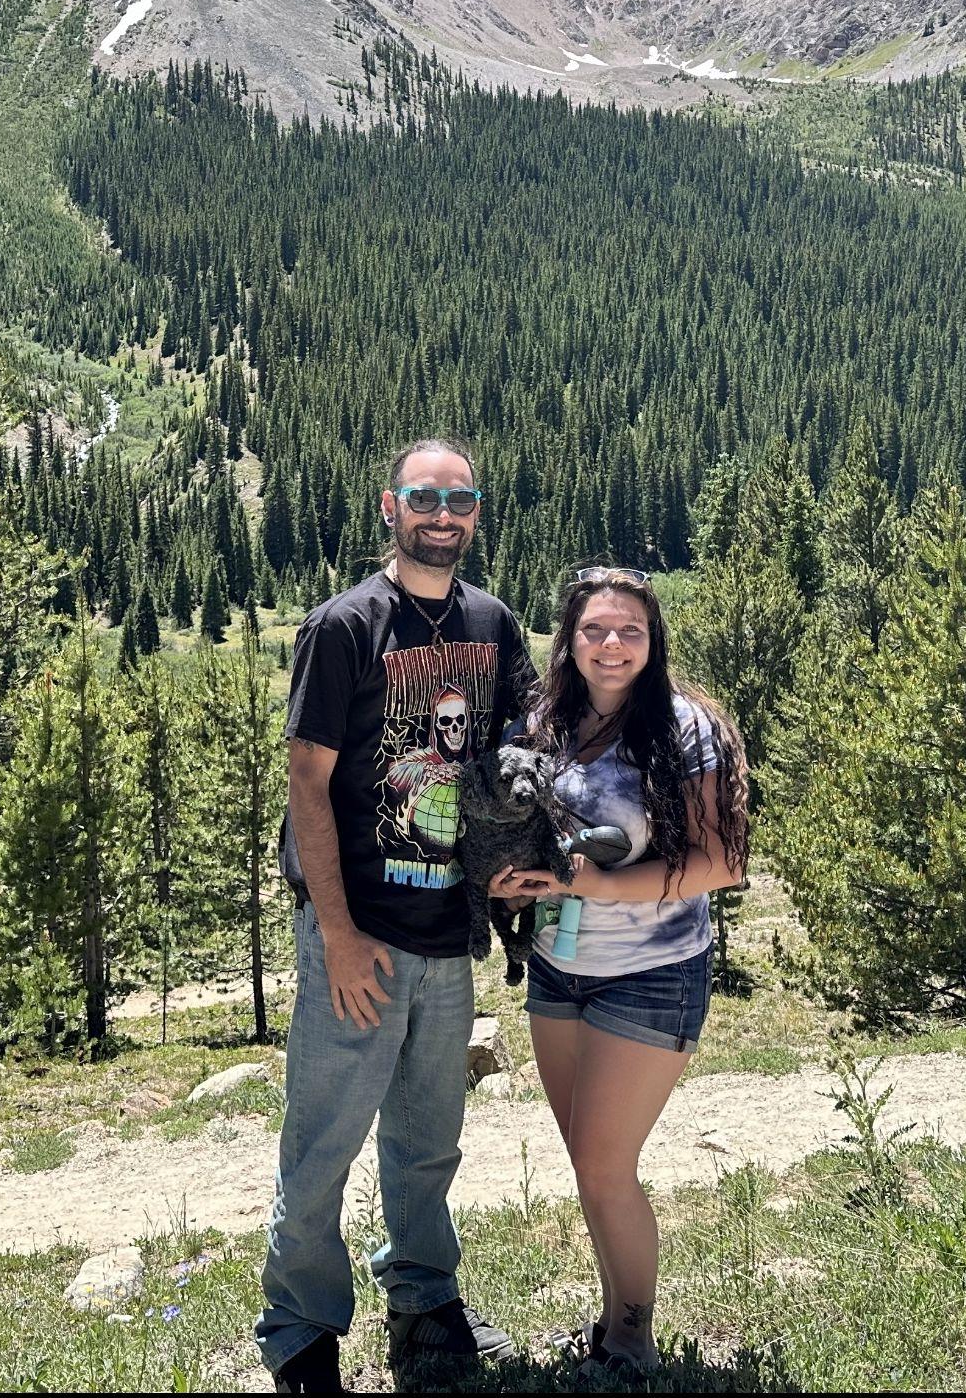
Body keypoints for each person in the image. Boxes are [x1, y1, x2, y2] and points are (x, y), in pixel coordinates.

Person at [255, 438, 536, 1393]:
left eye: (459, 497)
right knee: (324, 1141)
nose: (442, 513)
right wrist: (334, 934)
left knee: (427, 1141)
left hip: (446, 930)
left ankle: (424, 1303)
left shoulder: (495, 625)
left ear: (475, 512)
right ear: (390, 506)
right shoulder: (344, 627)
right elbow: (306, 780)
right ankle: (299, 1334)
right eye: (424, 496)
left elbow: (525, 750)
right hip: (360, 932)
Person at [489, 565, 749, 1379]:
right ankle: (612, 1319)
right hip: (559, 969)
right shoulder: (544, 720)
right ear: (568, 639)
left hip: (652, 972)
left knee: (604, 1167)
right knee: (589, 1165)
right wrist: (518, 875)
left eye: (629, 631)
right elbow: (538, 832)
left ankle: (633, 1338)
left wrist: (598, 884)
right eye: (595, 629)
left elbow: (723, 862)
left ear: (652, 641)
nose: (611, 645)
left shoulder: (683, 727)